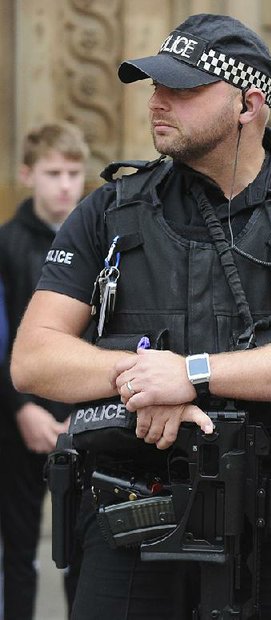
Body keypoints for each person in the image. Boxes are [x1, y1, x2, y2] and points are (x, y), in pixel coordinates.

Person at [10, 13, 271, 620]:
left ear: (249, 103)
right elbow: (33, 357)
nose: (158, 102)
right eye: (155, 86)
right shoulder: (109, 209)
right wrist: (138, 380)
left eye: (182, 90)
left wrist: (193, 372)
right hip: (133, 513)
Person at [0, 122, 88, 620]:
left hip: (81, 419)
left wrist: (84, 412)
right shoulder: (6, 244)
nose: (64, 186)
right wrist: (21, 409)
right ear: (27, 174)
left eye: (74, 173)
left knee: (84, 553)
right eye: (53, 173)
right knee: (18, 553)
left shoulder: (100, 242)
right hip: (17, 423)